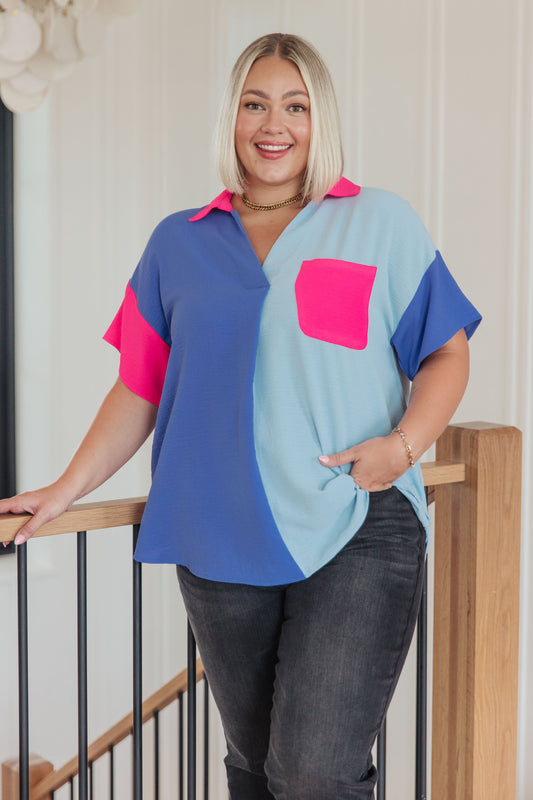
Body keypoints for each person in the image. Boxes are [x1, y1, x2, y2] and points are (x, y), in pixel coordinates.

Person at [0, 33, 480, 800]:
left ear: (319, 120)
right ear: (231, 118)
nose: (273, 123)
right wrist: (65, 487)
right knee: (256, 769)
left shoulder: (380, 223)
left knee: (313, 771)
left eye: (295, 105)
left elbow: (446, 354)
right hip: (215, 534)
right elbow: (139, 388)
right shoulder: (176, 243)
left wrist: (402, 446)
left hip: (357, 517)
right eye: (255, 104)